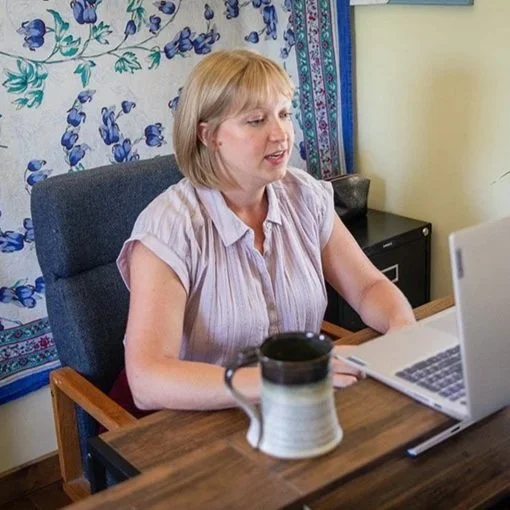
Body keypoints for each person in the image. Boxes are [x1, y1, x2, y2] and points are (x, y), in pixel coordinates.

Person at [115, 49, 415, 414]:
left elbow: (368, 287)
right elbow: (147, 381)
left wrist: (402, 329)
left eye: (285, 114)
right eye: (256, 120)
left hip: (299, 400)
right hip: (205, 419)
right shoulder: (169, 228)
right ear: (209, 136)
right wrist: (282, 377)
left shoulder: (304, 196)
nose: (281, 134)